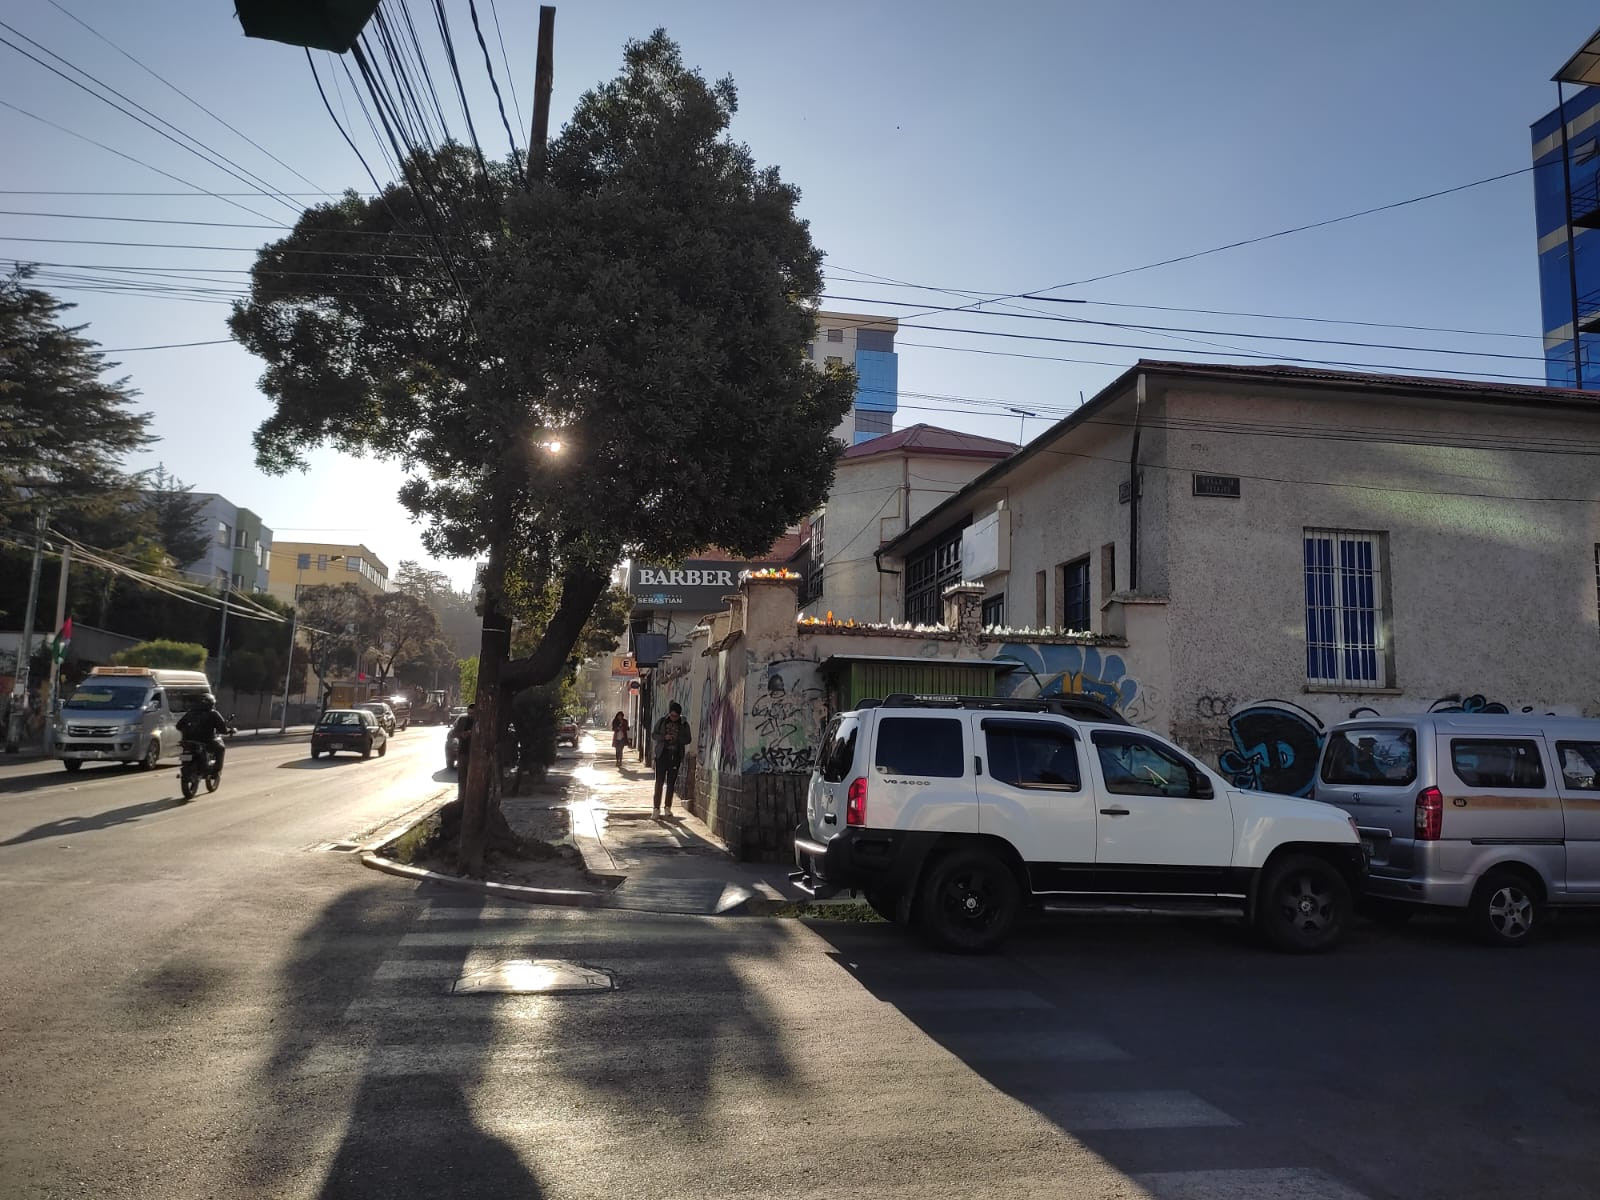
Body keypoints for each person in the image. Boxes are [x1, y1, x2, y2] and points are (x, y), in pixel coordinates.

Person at [177, 694, 233, 777]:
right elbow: (223, 729)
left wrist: (187, 731)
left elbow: (178, 726)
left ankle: (192, 767)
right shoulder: (213, 714)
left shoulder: (190, 713)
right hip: (207, 741)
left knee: (185, 753)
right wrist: (230, 730)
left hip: (188, 741)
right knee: (221, 748)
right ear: (211, 704)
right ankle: (216, 771)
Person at [651, 701, 690, 817]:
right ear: (669, 714)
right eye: (672, 715)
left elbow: (688, 739)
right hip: (662, 755)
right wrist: (664, 737)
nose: (673, 718)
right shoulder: (662, 721)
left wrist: (678, 739)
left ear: (679, 715)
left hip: (675, 756)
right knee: (659, 782)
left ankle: (667, 807)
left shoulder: (684, 724)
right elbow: (654, 735)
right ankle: (656, 809)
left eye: (676, 716)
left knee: (671, 783)